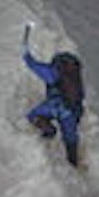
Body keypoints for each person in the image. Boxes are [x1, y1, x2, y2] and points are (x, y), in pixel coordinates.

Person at [21, 25, 85, 166]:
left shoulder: (54, 72)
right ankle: (73, 162)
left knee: (33, 116)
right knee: (70, 137)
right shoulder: (75, 77)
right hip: (73, 109)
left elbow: (34, 65)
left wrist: (26, 54)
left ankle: (49, 130)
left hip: (57, 106)